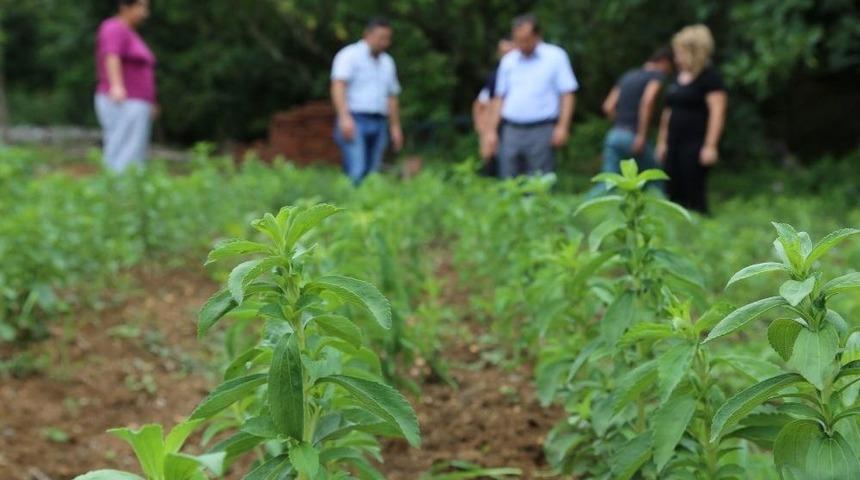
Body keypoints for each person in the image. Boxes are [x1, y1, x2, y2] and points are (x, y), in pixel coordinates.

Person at [485, 14, 578, 178]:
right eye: (517, 40)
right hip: (511, 129)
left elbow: (568, 93)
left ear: (537, 35)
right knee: (509, 180)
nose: (521, 45)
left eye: (525, 39)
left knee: (539, 181)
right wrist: (491, 131)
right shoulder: (509, 61)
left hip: (541, 129)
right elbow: (499, 98)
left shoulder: (555, 56)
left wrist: (563, 127)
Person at [656, 25, 727, 214]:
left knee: (693, 189)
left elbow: (717, 112)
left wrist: (710, 146)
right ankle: (678, 226)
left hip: (695, 143)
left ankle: (698, 227)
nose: (676, 57)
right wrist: (662, 141)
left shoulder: (710, 78)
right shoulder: (677, 78)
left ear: (694, 51)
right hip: (673, 142)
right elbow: (668, 111)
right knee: (672, 188)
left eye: (680, 52)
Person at [591, 47, 674, 196]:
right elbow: (647, 101)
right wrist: (641, 135)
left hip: (615, 134)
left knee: (608, 181)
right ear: (664, 62)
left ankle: (580, 211)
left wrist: (621, 122)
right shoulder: (656, 75)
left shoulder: (627, 76)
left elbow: (608, 106)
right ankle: (667, 214)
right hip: (633, 136)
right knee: (656, 177)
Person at [330, 17, 403, 185]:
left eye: (387, 38)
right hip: (355, 119)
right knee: (357, 168)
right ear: (367, 35)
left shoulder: (388, 62)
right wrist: (344, 117)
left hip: (379, 121)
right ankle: (349, 207)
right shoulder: (349, 55)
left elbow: (392, 96)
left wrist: (395, 127)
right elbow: (338, 86)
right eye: (380, 38)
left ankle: (367, 208)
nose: (384, 43)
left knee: (373, 171)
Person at [95, 0, 157, 174]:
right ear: (125, 6)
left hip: (136, 101)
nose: (145, 13)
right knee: (123, 149)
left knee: (135, 150)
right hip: (124, 100)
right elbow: (111, 55)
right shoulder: (114, 27)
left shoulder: (130, 33)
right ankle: (118, 192)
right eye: (141, 6)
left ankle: (130, 192)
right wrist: (116, 86)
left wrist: (150, 102)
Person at [472, 36, 515, 177]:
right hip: (497, 129)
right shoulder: (494, 76)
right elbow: (480, 105)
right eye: (502, 52)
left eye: (509, 52)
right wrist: (484, 130)